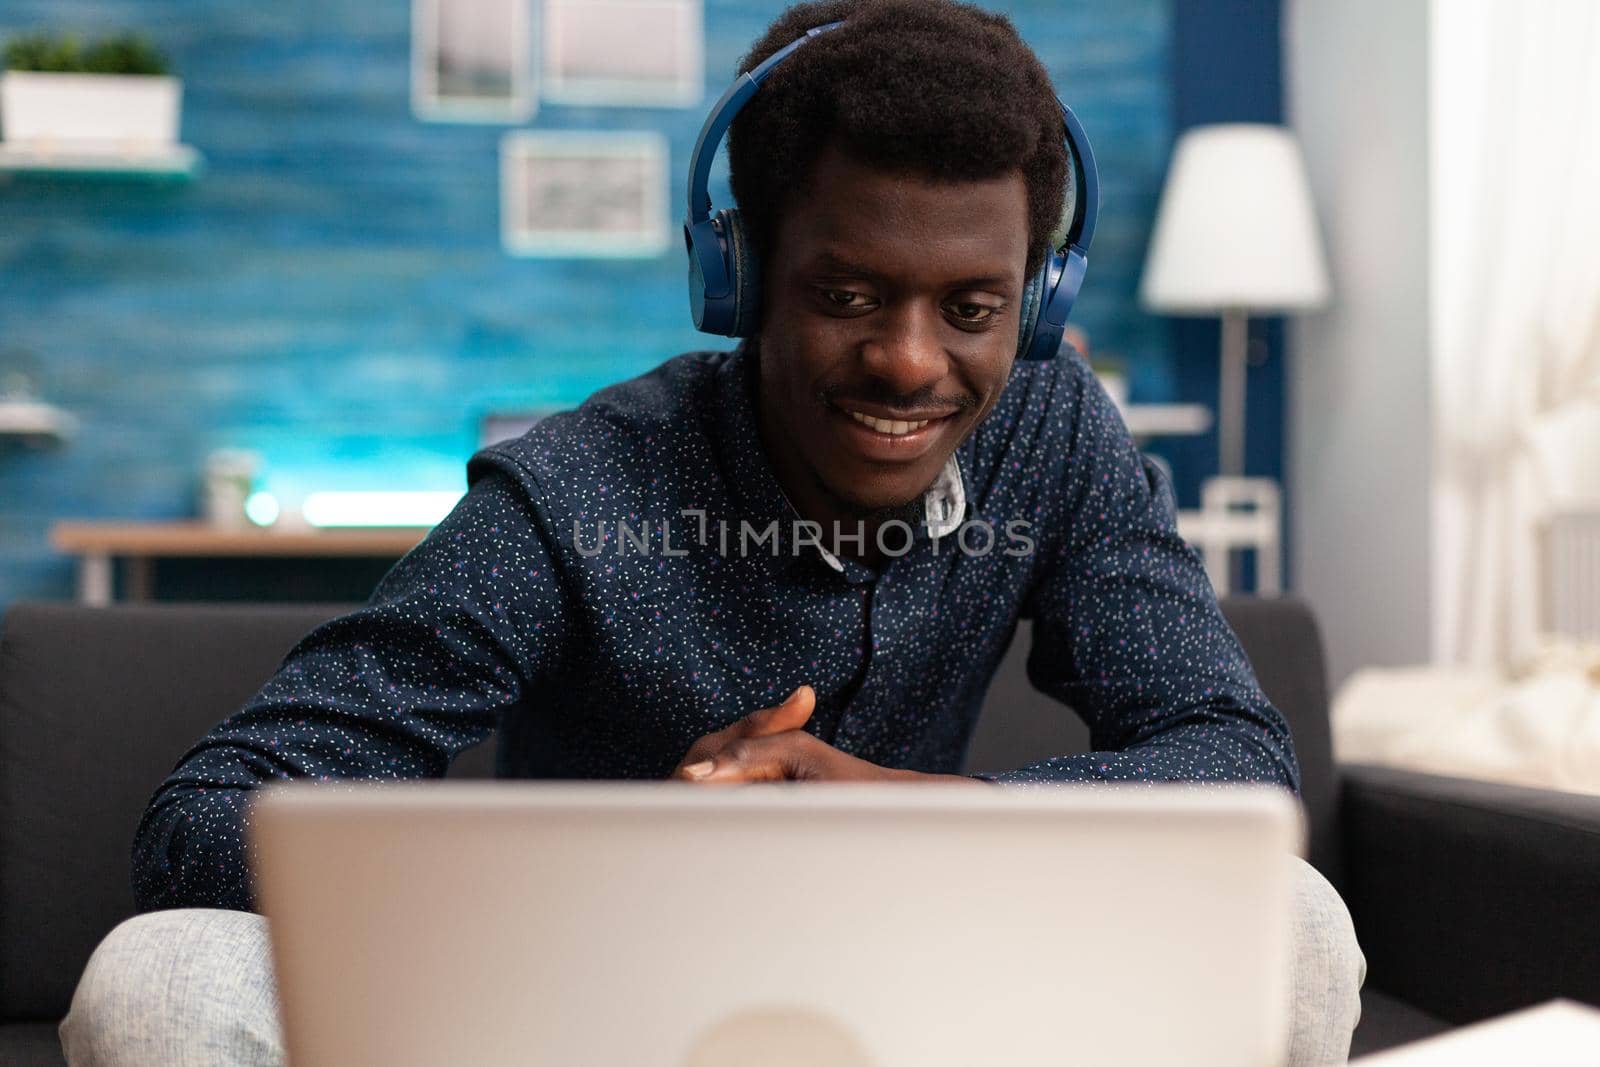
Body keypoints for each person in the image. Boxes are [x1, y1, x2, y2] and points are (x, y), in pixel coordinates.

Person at [60, 1, 1364, 1064]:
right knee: (162, 980)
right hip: (578, 1007)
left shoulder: (1054, 433)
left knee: (1297, 925)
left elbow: (1237, 768)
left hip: (933, 991)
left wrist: (913, 818)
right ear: (734, 278)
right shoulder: (579, 487)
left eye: (973, 306)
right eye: (848, 294)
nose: (914, 363)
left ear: (1032, 302)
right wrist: (647, 864)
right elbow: (202, 819)